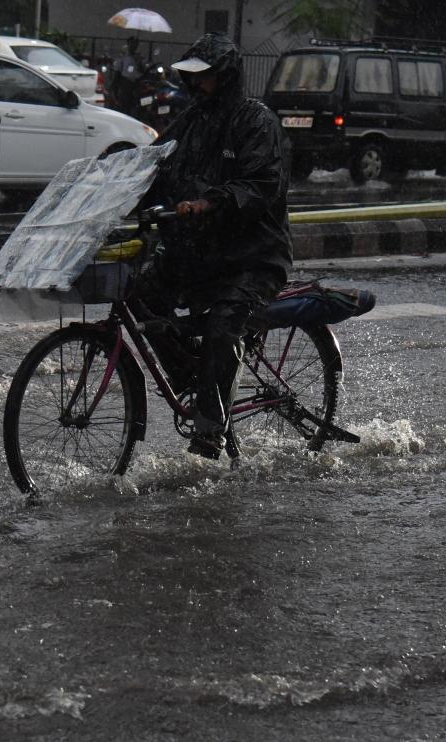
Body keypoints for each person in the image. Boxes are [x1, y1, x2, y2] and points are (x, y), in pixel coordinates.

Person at [132, 32, 293, 459]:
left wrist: (211, 202)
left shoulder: (255, 121)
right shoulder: (190, 120)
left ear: (225, 77)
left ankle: (210, 429)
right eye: (190, 79)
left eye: (202, 79)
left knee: (223, 325)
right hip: (199, 253)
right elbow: (155, 165)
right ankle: (189, 369)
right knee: (136, 296)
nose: (194, 86)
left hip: (252, 258)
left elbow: (261, 185)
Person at [111, 36, 144, 116]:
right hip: (126, 82)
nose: (133, 46)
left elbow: (142, 71)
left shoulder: (139, 57)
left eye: (135, 44)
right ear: (128, 44)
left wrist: (138, 62)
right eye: (131, 44)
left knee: (135, 104)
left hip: (136, 83)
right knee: (125, 104)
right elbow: (117, 72)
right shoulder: (123, 57)